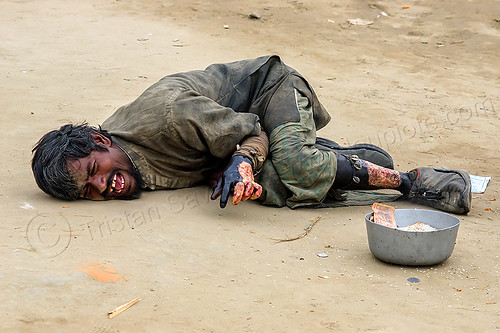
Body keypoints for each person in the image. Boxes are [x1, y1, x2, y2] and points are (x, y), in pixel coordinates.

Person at [31, 55, 472, 214]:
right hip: (233, 137)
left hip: (269, 94)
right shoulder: (130, 164)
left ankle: (418, 181)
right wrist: (243, 174)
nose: (102, 185)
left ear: (103, 142)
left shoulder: (169, 116)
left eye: (94, 170)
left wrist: (241, 161)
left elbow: (253, 131)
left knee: (294, 166)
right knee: (271, 189)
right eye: (88, 191)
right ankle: (346, 160)